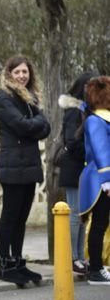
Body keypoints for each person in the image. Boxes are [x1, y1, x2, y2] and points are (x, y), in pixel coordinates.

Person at [0, 55, 51, 286]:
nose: (22, 76)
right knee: (10, 216)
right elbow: (23, 126)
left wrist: (35, 125)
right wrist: (36, 124)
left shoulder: (28, 98)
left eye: (25, 71)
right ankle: (5, 265)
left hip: (29, 166)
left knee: (21, 218)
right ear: (9, 74)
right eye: (17, 72)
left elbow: (46, 127)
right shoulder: (3, 99)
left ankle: (17, 262)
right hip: (12, 167)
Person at [58, 71, 97, 275]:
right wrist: (92, 151)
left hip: (84, 169)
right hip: (74, 168)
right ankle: (72, 257)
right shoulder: (74, 111)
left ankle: (80, 257)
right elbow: (72, 141)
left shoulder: (88, 110)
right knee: (74, 214)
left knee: (83, 215)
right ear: (82, 87)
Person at [78, 76, 110, 285]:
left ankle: (98, 267)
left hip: (102, 179)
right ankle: (96, 270)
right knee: (99, 224)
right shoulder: (95, 120)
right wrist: (107, 179)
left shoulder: (101, 119)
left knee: (102, 223)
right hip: (99, 180)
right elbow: (101, 151)